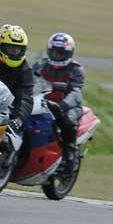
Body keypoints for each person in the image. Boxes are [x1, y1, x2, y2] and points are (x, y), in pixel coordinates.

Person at [32, 32, 85, 168]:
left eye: (61, 53)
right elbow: (31, 82)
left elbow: (76, 92)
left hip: (68, 106)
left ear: (69, 53)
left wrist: (63, 105)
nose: (57, 56)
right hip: (42, 101)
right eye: (54, 52)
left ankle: (70, 151)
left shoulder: (76, 69)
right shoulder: (40, 65)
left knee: (68, 120)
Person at [0, 24, 34, 143]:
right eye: (10, 48)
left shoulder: (25, 69)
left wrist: (19, 119)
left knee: (8, 142)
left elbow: (27, 97)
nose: (14, 52)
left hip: (10, 113)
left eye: (18, 49)